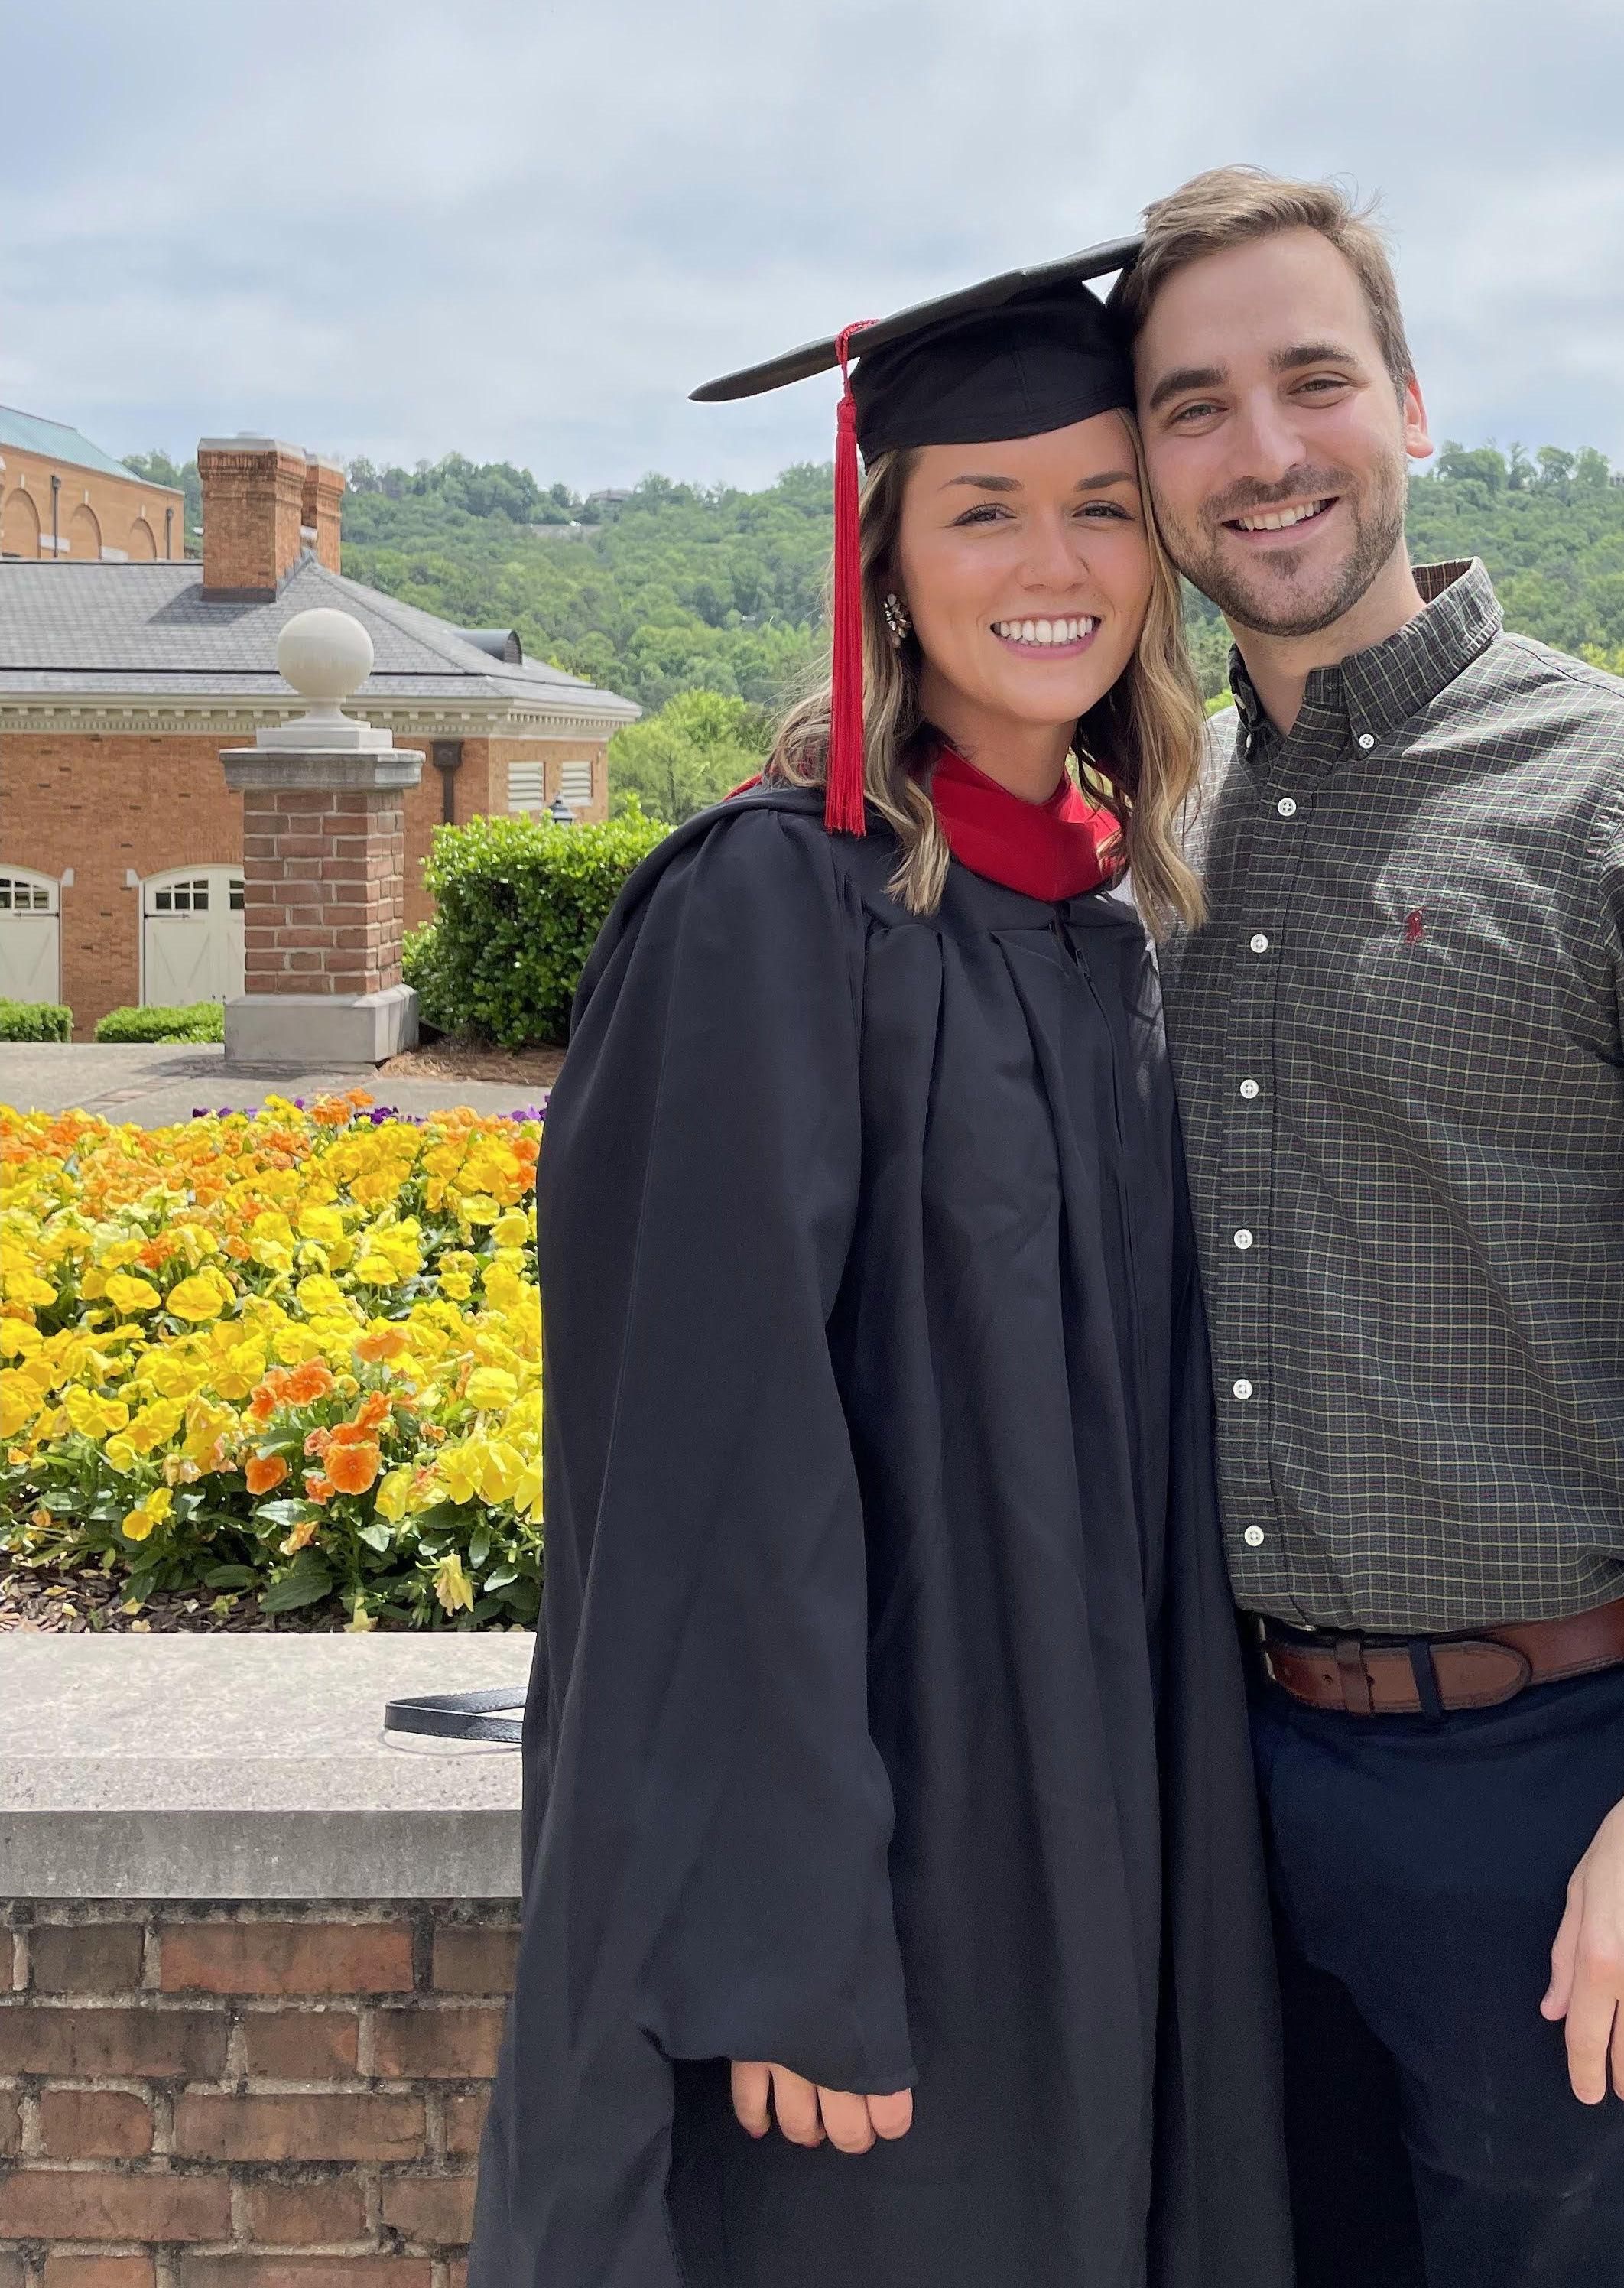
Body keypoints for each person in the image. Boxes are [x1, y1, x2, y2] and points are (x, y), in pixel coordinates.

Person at [1111, 168, 1624, 2287]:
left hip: (1574, 1789)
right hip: (1236, 1783)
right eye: (1193, 405)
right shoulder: (1167, 838)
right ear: (1149, 466)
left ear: (1410, 401)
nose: (1262, 450)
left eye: (1311, 379)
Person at [467, 248, 1291, 2288]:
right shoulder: (769, 914)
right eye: (982, 506)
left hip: (1108, 1822)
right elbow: (696, 1464)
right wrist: (779, 1929)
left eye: (1105, 504)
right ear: (888, 555)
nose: (1055, 560)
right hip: (882, 1885)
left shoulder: (1117, 928)